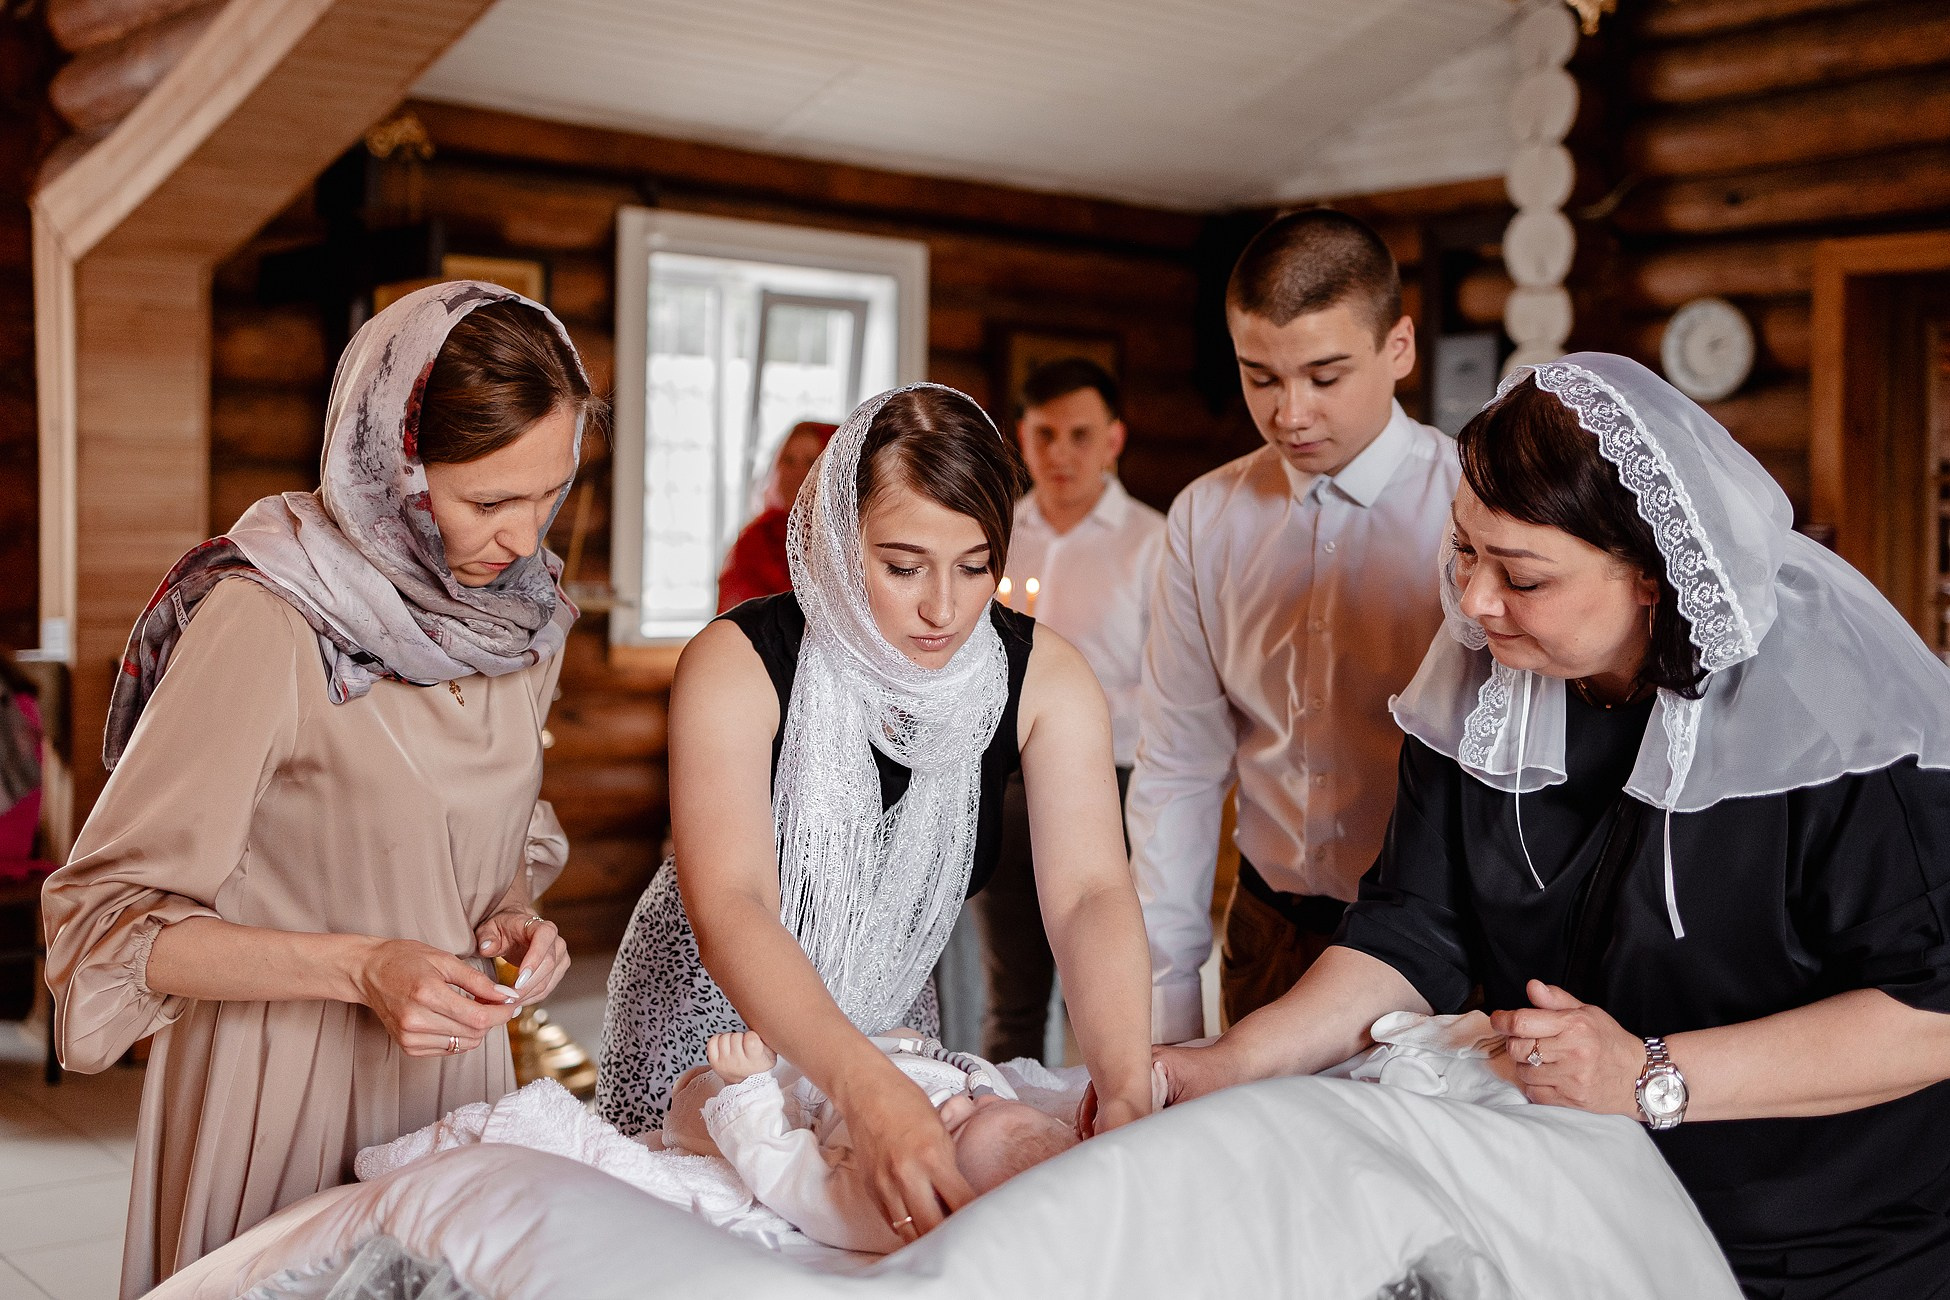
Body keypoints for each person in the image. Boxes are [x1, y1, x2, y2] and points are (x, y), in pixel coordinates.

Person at [1158, 354, 1950, 1300]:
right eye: (1463, 552)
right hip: (1580, 1201)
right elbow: (1414, 930)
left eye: (1522, 576)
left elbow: (1933, 1014)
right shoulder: (1485, 682)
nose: (1476, 600)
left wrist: (1652, 1074)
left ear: (1652, 577)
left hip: (1832, 1241)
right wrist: (1233, 1059)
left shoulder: (1832, 718)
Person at [41, 282, 594, 1297]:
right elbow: (103, 925)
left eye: (548, 494)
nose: (524, 539)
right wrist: (361, 968)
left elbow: (491, 833)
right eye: (488, 502)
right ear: (395, 469)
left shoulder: (519, 625)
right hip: (278, 1086)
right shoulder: (267, 622)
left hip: (453, 1084)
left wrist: (512, 910)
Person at [599, 382, 1154, 1247]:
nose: (944, 608)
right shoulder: (737, 664)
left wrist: (1123, 1086)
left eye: (975, 566)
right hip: (712, 1033)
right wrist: (862, 1090)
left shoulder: (1045, 677)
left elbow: (1089, 894)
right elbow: (734, 903)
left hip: (892, 1020)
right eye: (903, 567)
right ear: (835, 537)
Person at [1128, 209, 1460, 1044]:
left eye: (1324, 374)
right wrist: (1164, 1008)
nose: (1290, 413)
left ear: (1400, 349)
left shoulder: (1472, 507)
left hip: (1441, 942)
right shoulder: (1207, 517)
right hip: (1266, 933)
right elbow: (1178, 768)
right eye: (1261, 377)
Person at [978, 358, 1165, 1063]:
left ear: (1114, 440)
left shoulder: (1152, 543)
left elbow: (1171, 687)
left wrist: (1061, 707)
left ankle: (1102, 1134)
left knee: (1099, 992)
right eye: (1044, 433)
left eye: (1080, 435)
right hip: (1007, 783)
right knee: (1012, 992)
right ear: (1021, 435)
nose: (1059, 453)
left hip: (1112, 785)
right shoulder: (995, 531)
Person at [663, 1029, 1081, 1253]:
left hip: (791, 1096)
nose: (957, 1107)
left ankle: (695, 1094)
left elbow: (790, 1177)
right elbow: (982, 1078)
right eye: (982, 1106)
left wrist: (746, 1088)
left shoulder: (889, 1206)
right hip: (858, 1051)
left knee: (694, 1104)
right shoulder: (999, 1114)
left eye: (956, 1131)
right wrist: (924, 1050)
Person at [717, 420, 839, 612]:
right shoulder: (756, 540)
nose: (796, 473)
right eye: (789, 461)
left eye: (810, 462)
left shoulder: (852, 539)